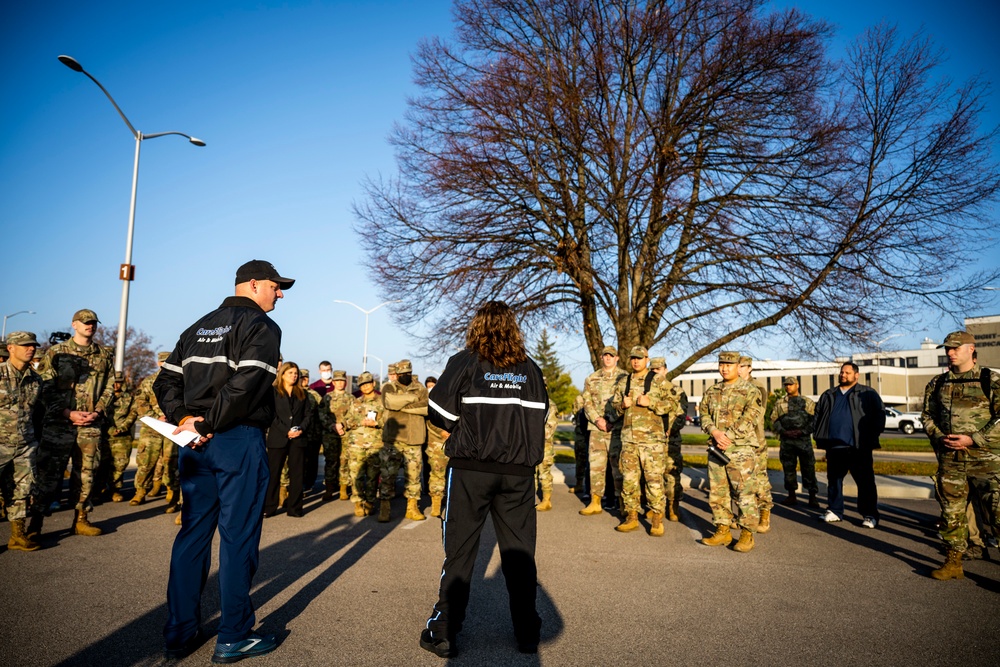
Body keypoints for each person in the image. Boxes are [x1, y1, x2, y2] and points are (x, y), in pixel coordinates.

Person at [153, 259, 292, 662]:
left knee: (192, 535)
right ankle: (233, 635)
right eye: (275, 286)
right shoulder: (261, 327)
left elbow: (165, 380)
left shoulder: (198, 326)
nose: (279, 293)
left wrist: (185, 419)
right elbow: (247, 384)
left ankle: (179, 633)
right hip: (236, 438)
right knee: (238, 538)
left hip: (194, 443)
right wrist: (208, 422)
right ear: (252, 285)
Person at [421, 301, 548, 659]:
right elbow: (542, 417)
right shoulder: (532, 370)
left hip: (470, 470)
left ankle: (444, 630)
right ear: (513, 328)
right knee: (519, 553)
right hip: (519, 475)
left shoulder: (465, 361)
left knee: (460, 551)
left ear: (477, 327)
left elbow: (440, 412)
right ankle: (527, 633)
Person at [921, 331, 1000, 580]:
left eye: (955, 348)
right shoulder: (937, 383)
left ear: (971, 349)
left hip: (986, 461)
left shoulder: (990, 380)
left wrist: (973, 438)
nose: (950, 352)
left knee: (997, 512)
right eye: (947, 348)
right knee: (951, 513)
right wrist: (939, 436)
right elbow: (926, 416)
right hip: (951, 461)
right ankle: (954, 563)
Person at [34, 308, 115, 537]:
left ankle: (81, 519)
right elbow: (45, 386)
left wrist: (98, 412)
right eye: (86, 322)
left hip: (90, 424)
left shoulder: (103, 354)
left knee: (86, 474)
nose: (90, 326)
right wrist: (66, 412)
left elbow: (110, 387)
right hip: (59, 424)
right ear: (74, 325)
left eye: (94, 323)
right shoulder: (57, 352)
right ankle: (35, 524)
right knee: (49, 474)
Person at [699, 351, 763, 552]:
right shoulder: (712, 391)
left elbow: (751, 417)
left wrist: (729, 437)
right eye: (721, 364)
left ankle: (746, 534)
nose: (724, 368)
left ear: (738, 365)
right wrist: (714, 432)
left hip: (741, 450)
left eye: (729, 364)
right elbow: (703, 414)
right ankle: (723, 529)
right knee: (718, 493)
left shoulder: (751, 390)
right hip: (717, 448)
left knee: (744, 492)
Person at [610, 347, 677, 536]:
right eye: (633, 358)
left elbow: (673, 405)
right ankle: (631, 517)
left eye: (640, 358)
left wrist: (652, 403)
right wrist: (622, 406)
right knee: (629, 481)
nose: (636, 361)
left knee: (653, 480)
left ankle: (657, 519)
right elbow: (614, 409)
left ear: (647, 359)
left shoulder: (658, 380)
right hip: (629, 440)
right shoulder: (624, 382)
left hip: (651, 441)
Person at [813, 361, 885, 527]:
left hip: (859, 447)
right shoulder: (829, 394)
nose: (843, 375)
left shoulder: (867, 393)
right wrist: (818, 435)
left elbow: (879, 415)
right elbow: (818, 416)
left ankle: (869, 515)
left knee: (865, 482)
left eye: (847, 372)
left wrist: (871, 436)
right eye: (841, 372)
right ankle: (834, 511)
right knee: (834, 480)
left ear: (856, 375)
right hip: (835, 446)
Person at [1, 331, 43, 551]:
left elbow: (36, 413)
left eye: (33, 345)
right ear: (10, 348)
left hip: (25, 445)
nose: (31, 348)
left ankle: (17, 535)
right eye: (25, 345)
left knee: (22, 490)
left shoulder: (36, 379)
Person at [578, 346, 626, 516]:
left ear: (617, 358)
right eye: (605, 355)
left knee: (618, 467)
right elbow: (587, 402)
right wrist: (598, 420)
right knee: (596, 467)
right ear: (601, 357)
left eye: (611, 356)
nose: (608, 358)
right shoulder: (592, 378)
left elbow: (626, 402)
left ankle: (622, 503)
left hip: (617, 430)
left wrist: (611, 420)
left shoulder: (624, 378)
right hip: (597, 428)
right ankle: (595, 501)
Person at [379, 359, 429, 522]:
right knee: (388, 475)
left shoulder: (420, 387)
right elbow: (388, 402)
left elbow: (427, 407)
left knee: (414, 477)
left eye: (407, 373)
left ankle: (412, 507)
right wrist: (414, 399)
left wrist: (402, 405)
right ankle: (385, 507)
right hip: (394, 439)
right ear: (396, 374)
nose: (405, 376)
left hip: (414, 438)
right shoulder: (389, 387)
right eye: (401, 374)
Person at [264, 362, 313, 518]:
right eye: (290, 372)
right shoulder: (272, 392)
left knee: (297, 475)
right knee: (273, 474)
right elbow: (271, 416)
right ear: (282, 374)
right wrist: (286, 431)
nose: (294, 375)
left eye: (296, 373)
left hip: (298, 440)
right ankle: (269, 507)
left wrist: (300, 429)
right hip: (278, 438)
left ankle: (295, 508)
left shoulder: (302, 394)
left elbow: (308, 415)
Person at [770, 377, 819, 507]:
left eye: (791, 384)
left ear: (797, 385)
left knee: (808, 468)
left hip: (804, 441)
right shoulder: (780, 403)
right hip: (787, 442)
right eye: (786, 385)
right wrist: (784, 432)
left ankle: (812, 496)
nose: (788, 387)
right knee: (789, 469)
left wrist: (802, 432)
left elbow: (814, 421)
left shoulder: (807, 402)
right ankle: (791, 496)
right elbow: (774, 420)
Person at [651, 357, 688, 521]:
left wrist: (671, 429)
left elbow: (682, 414)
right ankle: (655, 506)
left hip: (670, 439)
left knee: (672, 473)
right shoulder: (646, 391)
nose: (655, 373)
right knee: (652, 475)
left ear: (665, 370)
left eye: (658, 370)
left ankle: (673, 506)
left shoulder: (677, 391)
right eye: (652, 370)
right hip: (651, 440)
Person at [739, 356, 773, 533]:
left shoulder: (757, 386)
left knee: (759, 479)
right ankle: (743, 516)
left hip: (755, 440)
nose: (738, 369)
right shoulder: (731, 385)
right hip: (736, 442)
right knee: (740, 481)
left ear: (749, 368)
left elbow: (756, 414)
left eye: (742, 366)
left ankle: (765, 512)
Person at [131, 352, 170, 506]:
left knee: (170, 461)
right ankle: (140, 492)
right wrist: (155, 417)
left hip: (172, 427)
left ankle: (171, 491)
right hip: (151, 428)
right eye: (163, 362)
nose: (165, 364)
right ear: (158, 363)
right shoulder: (148, 382)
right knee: (146, 461)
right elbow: (140, 402)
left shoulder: (181, 380)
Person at [343, 371, 384, 516]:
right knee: (356, 475)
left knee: (373, 476)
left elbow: (388, 420)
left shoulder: (382, 402)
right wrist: (356, 422)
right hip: (356, 445)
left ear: (373, 383)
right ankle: (358, 502)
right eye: (362, 385)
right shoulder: (355, 402)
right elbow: (346, 421)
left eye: (368, 383)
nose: (365, 387)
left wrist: (377, 423)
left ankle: (370, 501)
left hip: (375, 445)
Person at [319, 370, 352, 501]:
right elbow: (322, 414)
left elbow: (354, 415)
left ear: (346, 382)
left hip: (346, 434)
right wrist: (332, 426)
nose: (340, 383)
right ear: (333, 382)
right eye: (337, 381)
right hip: (330, 434)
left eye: (342, 381)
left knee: (345, 461)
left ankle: (343, 487)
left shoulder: (351, 398)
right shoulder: (327, 398)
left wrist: (343, 425)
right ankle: (329, 488)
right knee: (331, 461)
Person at [534, 398, 560, 511]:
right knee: (531, 473)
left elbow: (551, 426)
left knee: (544, 472)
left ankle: (546, 500)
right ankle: (530, 499)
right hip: (531, 446)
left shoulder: (550, 404)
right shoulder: (531, 400)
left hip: (544, 446)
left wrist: (533, 436)